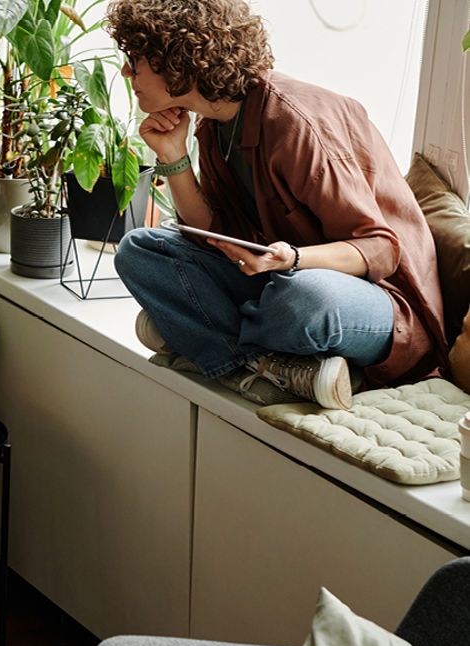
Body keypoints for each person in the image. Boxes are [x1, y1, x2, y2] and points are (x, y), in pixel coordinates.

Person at [106, 0, 445, 409]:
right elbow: (214, 234)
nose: (126, 72)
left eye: (135, 60)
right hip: (278, 280)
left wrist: (293, 259)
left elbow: (381, 249)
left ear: (176, 60)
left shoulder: (296, 122)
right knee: (140, 250)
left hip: (374, 304)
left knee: (303, 298)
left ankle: (212, 345)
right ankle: (274, 367)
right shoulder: (214, 123)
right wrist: (173, 154)